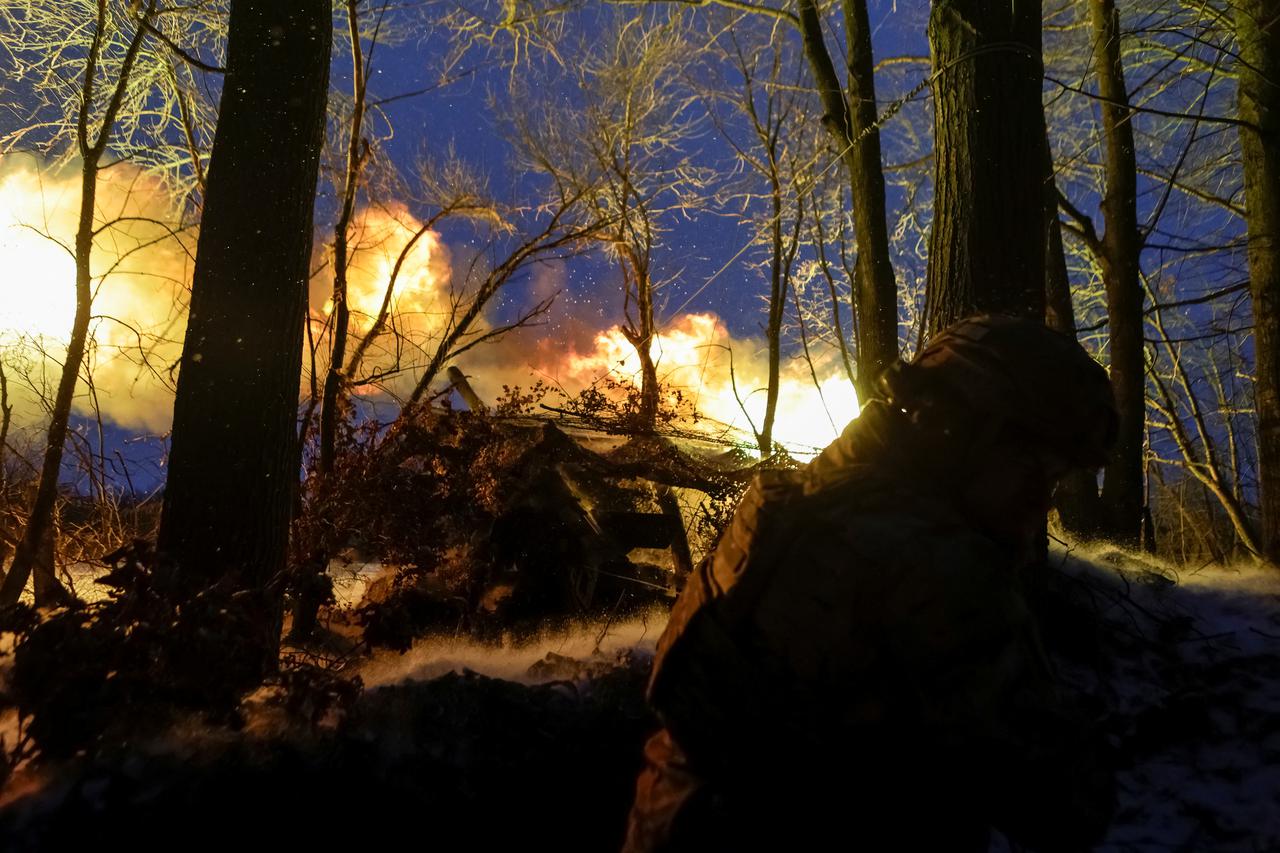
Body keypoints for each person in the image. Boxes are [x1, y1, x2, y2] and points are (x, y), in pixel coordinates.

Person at [624, 315, 1119, 852]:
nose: (1041, 502)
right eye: (1035, 472)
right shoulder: (939, 567)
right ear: (961, 435)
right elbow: (1061, 807)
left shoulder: (789, 504)